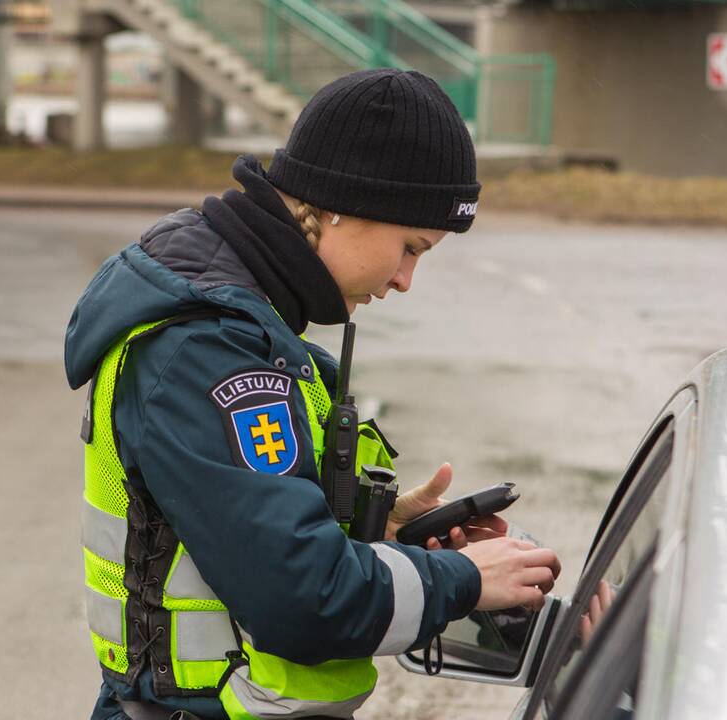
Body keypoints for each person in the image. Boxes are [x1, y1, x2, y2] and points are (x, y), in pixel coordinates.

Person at [64, 68, 562, 720]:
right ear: (340, 207)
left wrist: (377, 530)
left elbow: (250, 534)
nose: (407, 279)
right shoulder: (209, 349)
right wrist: (466, 580)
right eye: (409, 247)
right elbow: (300, 597)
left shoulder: (248, 326)